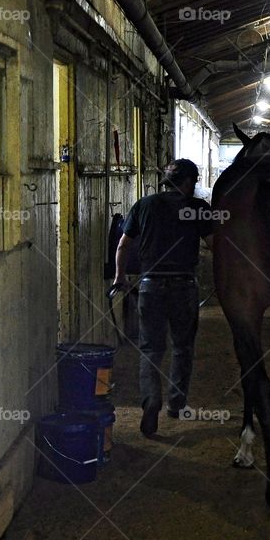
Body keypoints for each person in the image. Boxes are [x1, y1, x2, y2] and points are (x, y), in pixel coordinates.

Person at [112, 159, 215, 436]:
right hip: (184, 285)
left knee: (151, 349)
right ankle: (177, 403)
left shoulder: (144, 205)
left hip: (150, 285)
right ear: (188, 182)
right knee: (182, 347)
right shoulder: (197, 209)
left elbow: (123, 245)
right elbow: (217, 245)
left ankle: (151, 401)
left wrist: (120, 277)